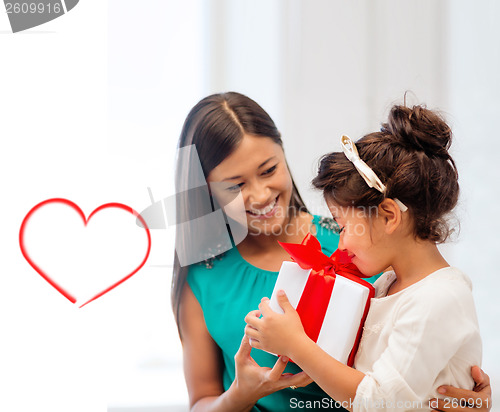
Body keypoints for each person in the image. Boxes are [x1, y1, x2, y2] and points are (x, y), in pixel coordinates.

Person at [171, 92, 491, 412]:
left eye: (268, 170)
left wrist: (466, 393)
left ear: (283, 152)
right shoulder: (204, 275)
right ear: (206, 190)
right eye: (235, 185)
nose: (259, 194)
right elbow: (201, 400)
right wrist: (240, 393)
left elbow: (414, 367)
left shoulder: (364, 244)